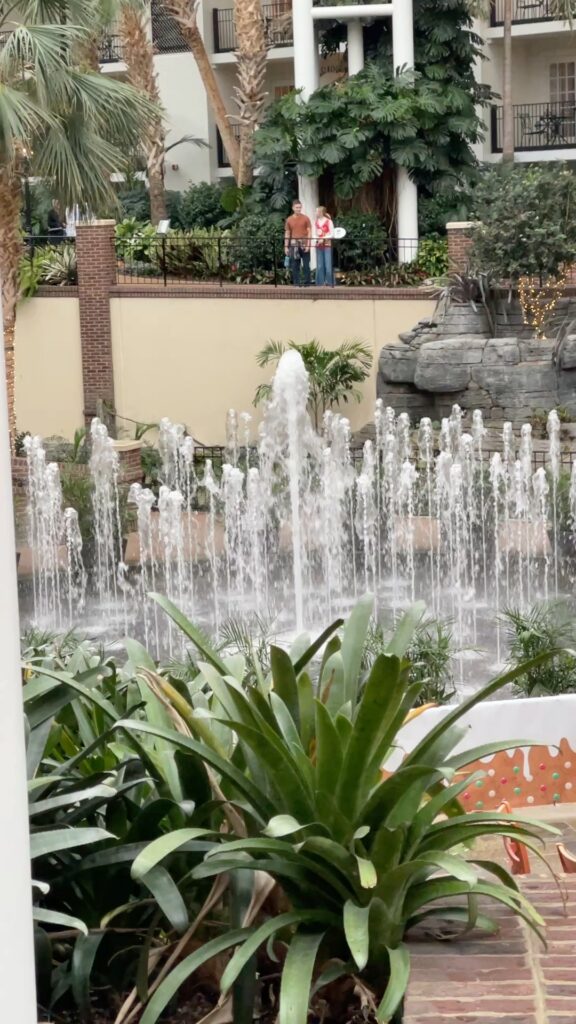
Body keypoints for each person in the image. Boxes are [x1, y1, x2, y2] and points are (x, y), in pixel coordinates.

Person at [284, 199, 311, 287]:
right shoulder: (289, 219)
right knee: (295, 265)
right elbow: (287, 233)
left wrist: (308, 245)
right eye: (297, 207)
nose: (298, 209)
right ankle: (296, 283)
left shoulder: (306, 218)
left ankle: (307, 284)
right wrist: (286, 246)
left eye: (300, 207)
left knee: (306, 265)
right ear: (293, 208)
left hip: (304, 243)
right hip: (293, 244)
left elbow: (309, 232)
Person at [314, 206, 334, 287]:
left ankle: (330, 283)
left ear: (321, 212)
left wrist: (323, 238)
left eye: (316, 211)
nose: (315, 213)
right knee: (319, 265)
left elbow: (332, 234)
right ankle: (320, 283)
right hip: (319, 245)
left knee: (328, 265)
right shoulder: (316, 222)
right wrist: (317, 239)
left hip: (327, 245)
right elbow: (315, 234)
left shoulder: (329, 221)